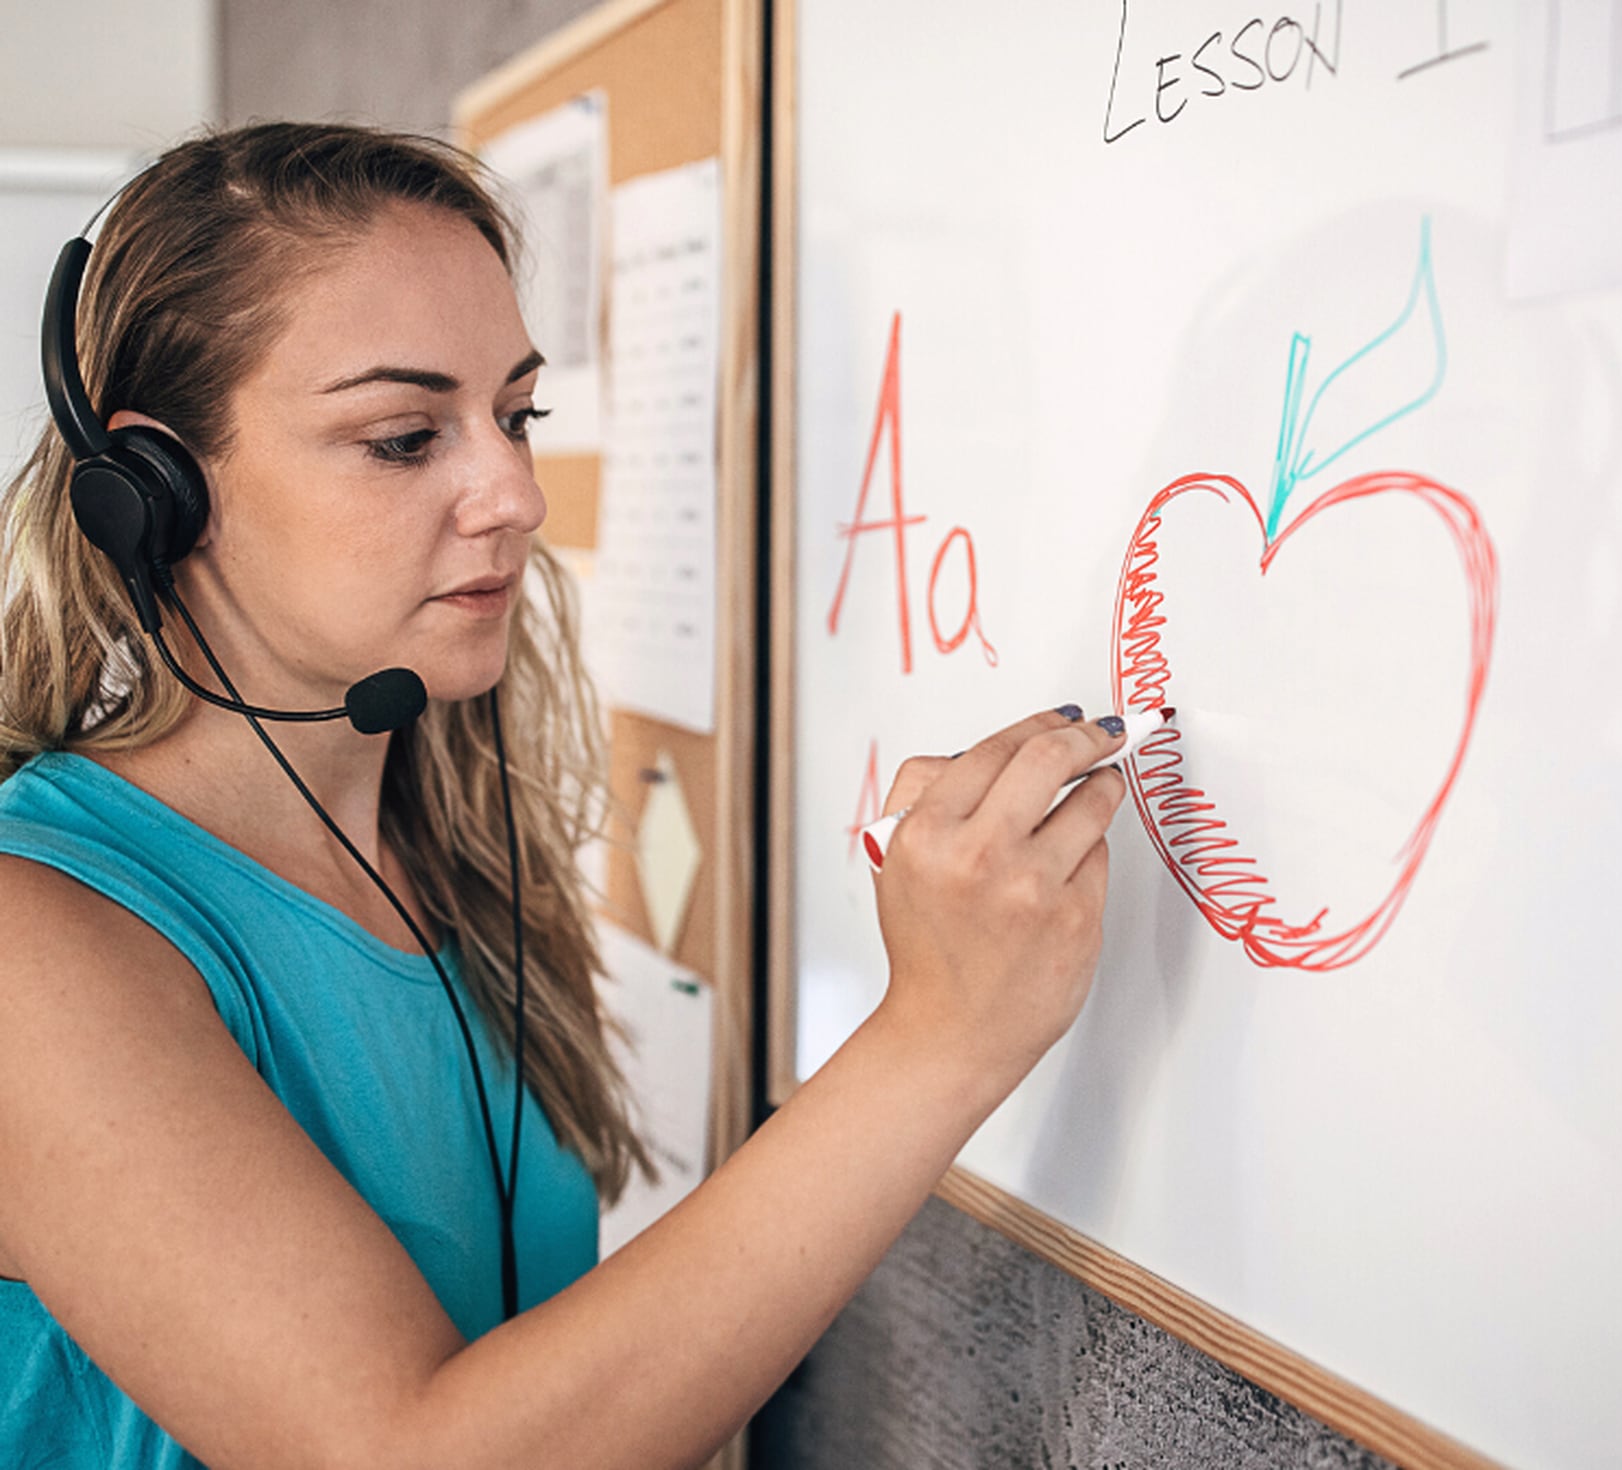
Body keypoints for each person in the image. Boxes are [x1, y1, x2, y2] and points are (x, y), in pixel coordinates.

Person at [0, 123, 1127, 1469]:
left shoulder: (449, 854)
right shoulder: (37, 940)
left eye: (517, 413)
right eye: (406, 436)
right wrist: (941, 1035)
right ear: (158, 493)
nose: (518, 492)